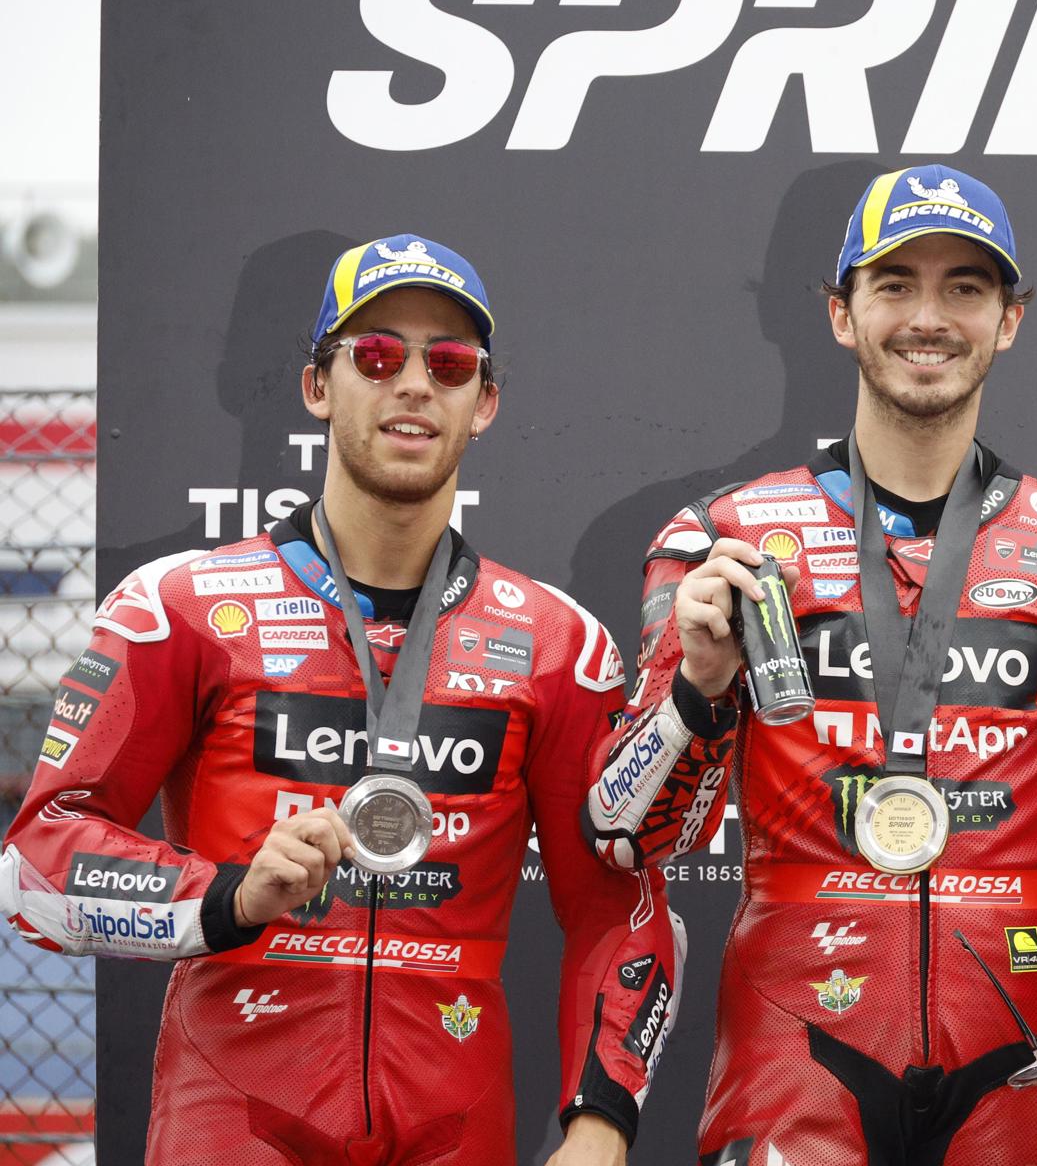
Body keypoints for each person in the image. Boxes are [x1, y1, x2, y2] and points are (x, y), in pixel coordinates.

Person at [0, 235, 680, 1165]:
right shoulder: (184, 607)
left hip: (455, 1120)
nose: (411, 384)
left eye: (447, 363)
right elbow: (36, 867)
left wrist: (600, 1123)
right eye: (375, 355)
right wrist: (230, 895)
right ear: (318, 386)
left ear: (482, 404)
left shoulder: (557, 644)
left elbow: (619, 907)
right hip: (234, 1114)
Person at [589, 165, 1037, 1165]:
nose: (930, 316)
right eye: (895, 284)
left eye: (965, 286)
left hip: (1023, 1045)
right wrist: (697, 688)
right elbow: (624, 835)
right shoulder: (726, 538)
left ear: (1010, 318)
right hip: (792, 1039)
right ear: (841, 313)